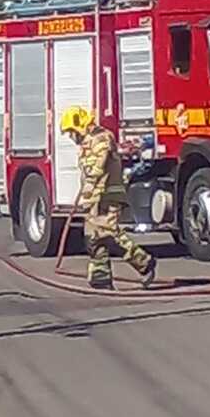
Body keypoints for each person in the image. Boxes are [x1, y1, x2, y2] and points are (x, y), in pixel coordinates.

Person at [60, 105, 156, 291]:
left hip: (108, 196)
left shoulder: (102, 138)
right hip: (95, 199)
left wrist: (88, 190)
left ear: (78, 126)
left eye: (70, 132)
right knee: (93, 236)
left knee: (110, 234)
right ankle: (100, 277)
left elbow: (98, 168)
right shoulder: (88, 143)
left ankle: (145, 263)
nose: (71, 138)